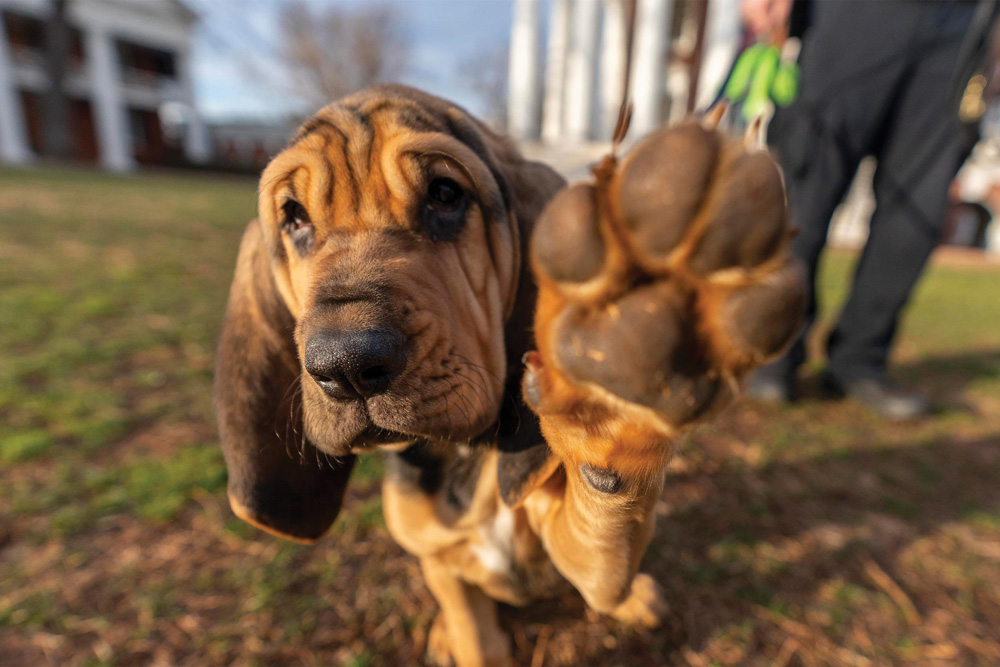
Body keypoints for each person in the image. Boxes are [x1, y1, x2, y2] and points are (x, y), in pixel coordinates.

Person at [741, 0, 995, 419]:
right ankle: (774, 350)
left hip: (963, 24)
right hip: (857, 12)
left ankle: (860, 360)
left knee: (920, 206)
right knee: (808, 184)